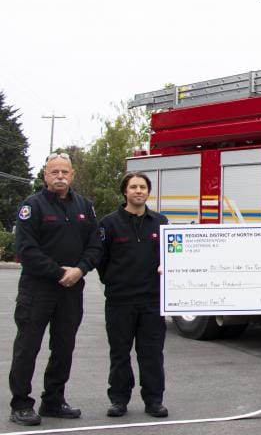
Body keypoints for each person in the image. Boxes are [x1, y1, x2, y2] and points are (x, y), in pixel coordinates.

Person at [8, 153, 101, 427]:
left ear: (72, 175)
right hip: (37, 289)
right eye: (54, 172)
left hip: (71, 290)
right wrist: (60, 273)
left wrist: (80, 269)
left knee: (64, 347)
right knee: (27, 347)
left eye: (65, 172)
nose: (60, 176)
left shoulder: (85, 206)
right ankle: (21, 404)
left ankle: (53, 400)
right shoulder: (32, 206)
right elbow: (26, 251)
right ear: (45, 176)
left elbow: (95, 245)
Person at [96, 172, 168, 419]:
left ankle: (154, 401)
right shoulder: (109, 224)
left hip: (152, 301)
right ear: (125, 191)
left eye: (143, 187)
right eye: (133, 187)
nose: (138, 191)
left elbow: (170, 254)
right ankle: (119, 400)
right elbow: (101, 260)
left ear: (148, 192)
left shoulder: (161, 222)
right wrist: (115, 281)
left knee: (152, 354)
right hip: (120, 301)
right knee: (119, 353)